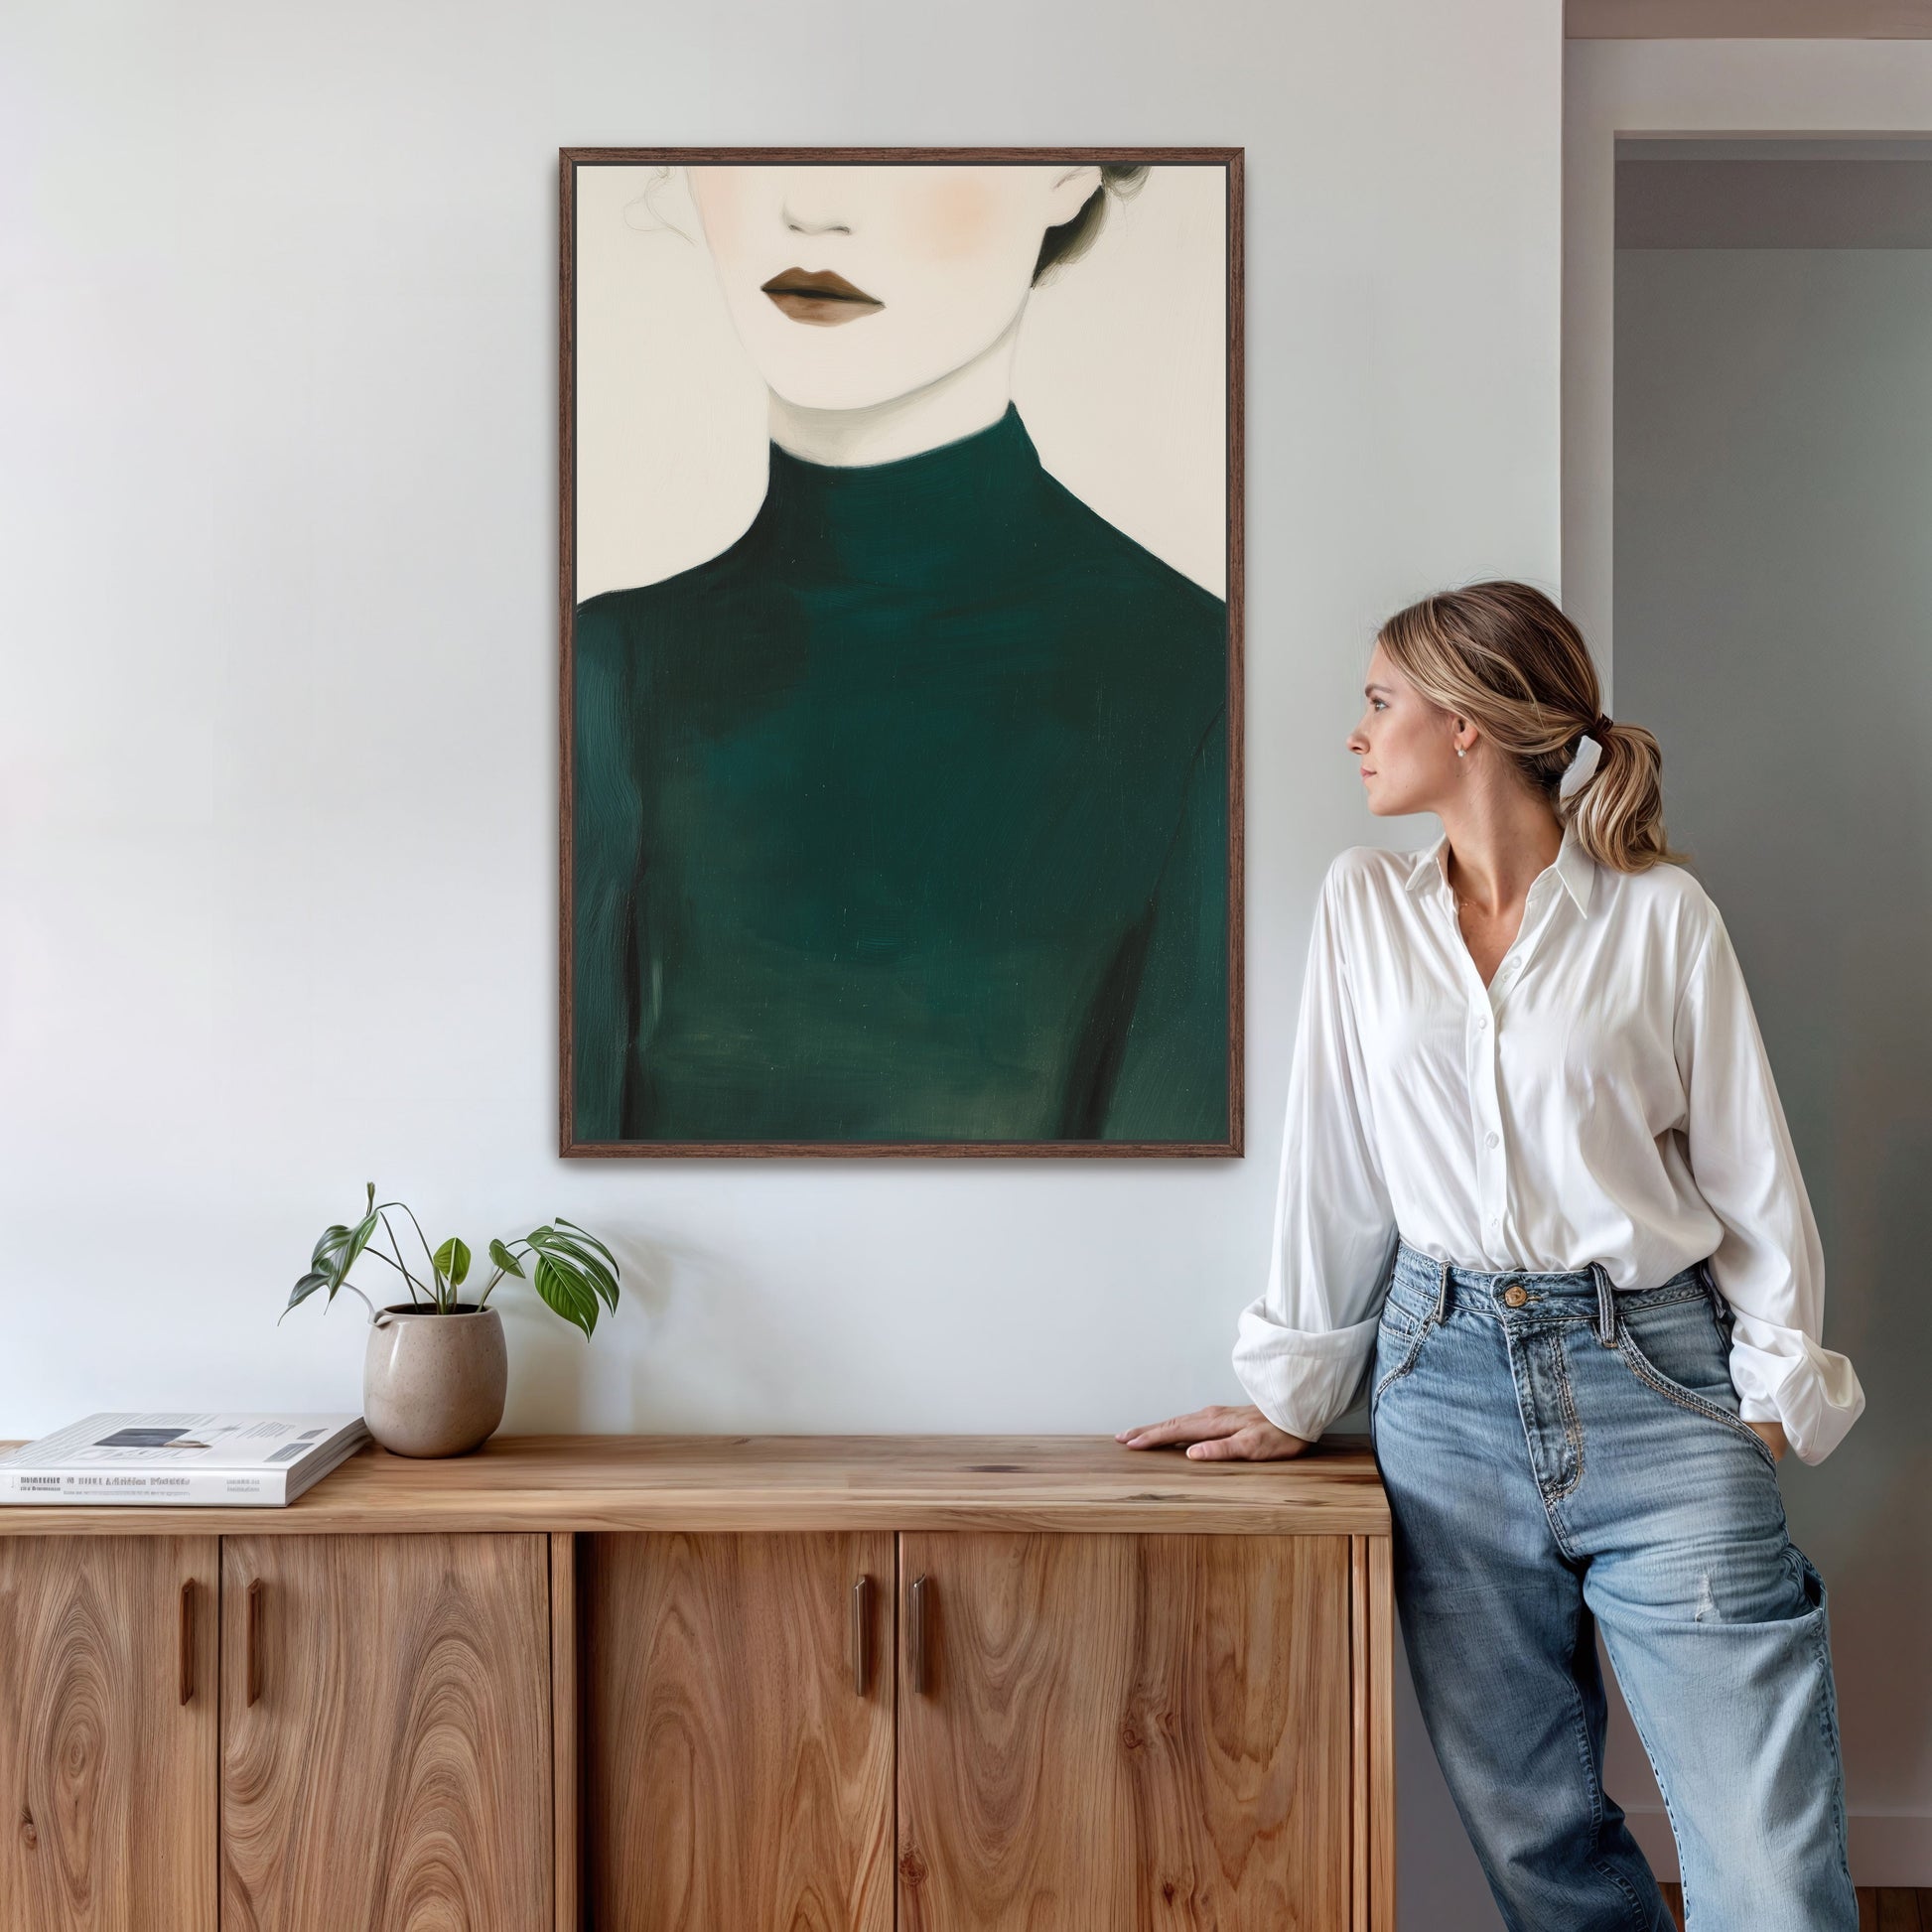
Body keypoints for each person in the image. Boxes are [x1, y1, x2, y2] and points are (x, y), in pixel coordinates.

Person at [1118, 581, 1863, 1930]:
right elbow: (1332, 1165)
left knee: (1767, 1863)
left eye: (1377, 701)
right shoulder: (1362, 908)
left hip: (1658, 1377)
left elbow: (1752, 1174)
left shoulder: (1659, 917)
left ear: (1463, 725)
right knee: (1538, 1847)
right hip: (1439, 1388)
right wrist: (1297, 1389)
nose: (1355, 733)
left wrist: (1763, 1400)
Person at [571, 164, 1228, 1146]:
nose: (809, 207)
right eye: (754, 149)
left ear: (1067, 172)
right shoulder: (609, 664)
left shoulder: (1193, 679)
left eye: (907, 150)